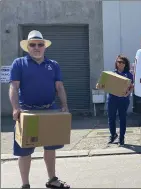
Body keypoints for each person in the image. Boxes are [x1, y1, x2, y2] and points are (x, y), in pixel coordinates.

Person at [9, 30, 70, 189]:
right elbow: (14, 87)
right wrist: (16, 108)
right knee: (25, 151)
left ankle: (52, 180)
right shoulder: (19, 63)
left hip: (50, 111)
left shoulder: (53, 65)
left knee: (50, 149)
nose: (37, 47)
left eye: (40, 44)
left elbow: (59, 87)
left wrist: (64, 105)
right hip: (27, 114)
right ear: (27, 47)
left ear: (45, 47)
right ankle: (25, 184)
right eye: (33, 45)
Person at [96, 55, 134, 146]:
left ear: (125, 64)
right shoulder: (111, 74)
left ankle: (121, 138)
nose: (120, 64)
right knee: (111, 118)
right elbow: (100, 84)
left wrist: (128, 93)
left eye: (122, 62)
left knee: (122, 119)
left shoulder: (129, 75)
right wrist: (99, 85)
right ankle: (113, 135)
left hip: (123, 100)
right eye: (118, 62)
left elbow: (131, 87)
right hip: (112, 99)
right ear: (116, 63)